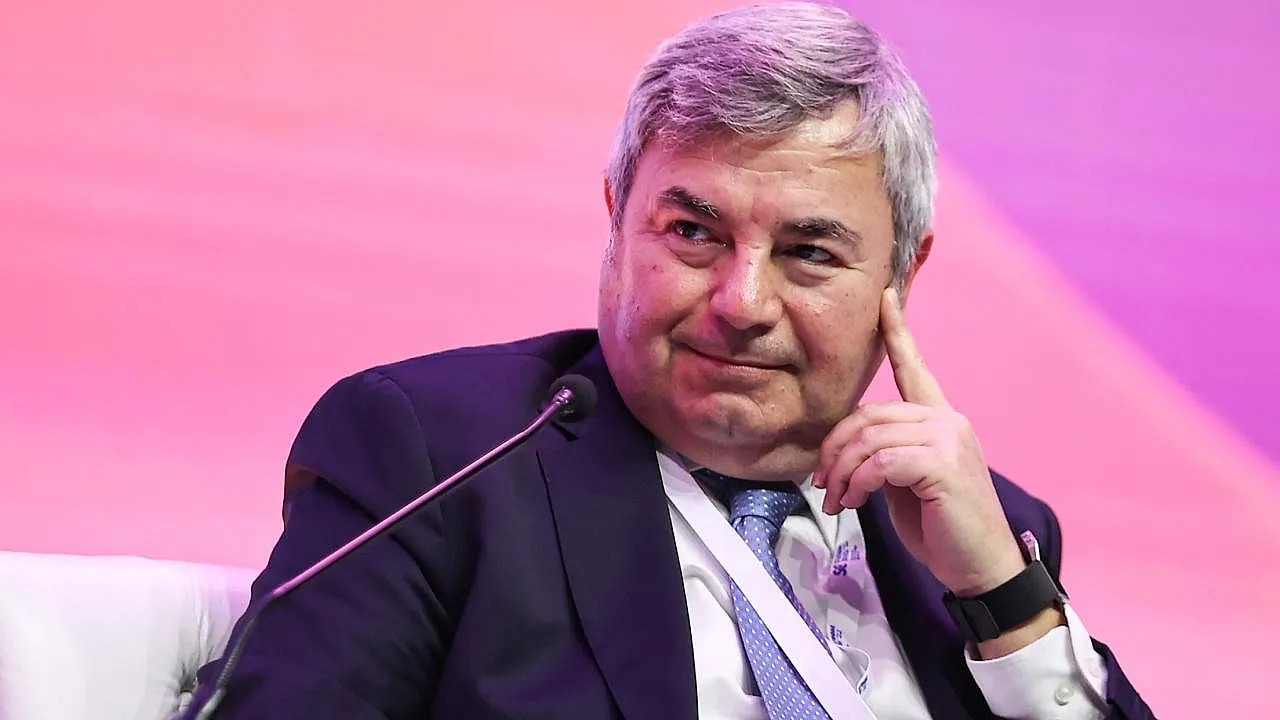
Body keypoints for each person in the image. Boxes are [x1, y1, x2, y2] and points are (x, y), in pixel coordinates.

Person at [188, 3, 1153, 719]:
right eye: (693, 232)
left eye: (809, 253)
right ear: (617, 220)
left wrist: (1007, 601)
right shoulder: (441, 460)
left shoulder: (981, 538)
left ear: (903, 272)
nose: (741, 302)